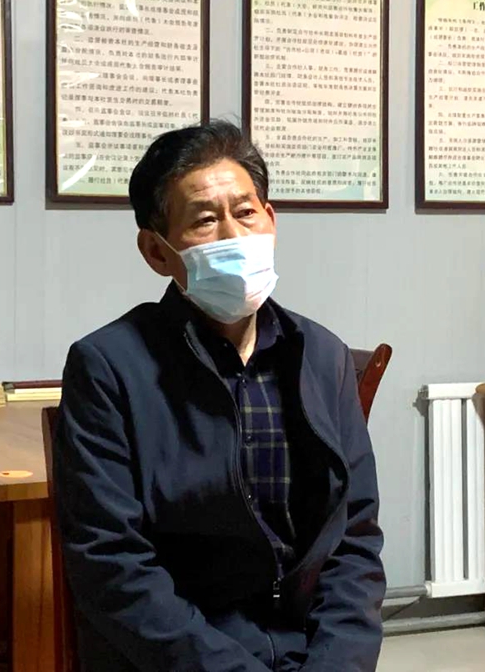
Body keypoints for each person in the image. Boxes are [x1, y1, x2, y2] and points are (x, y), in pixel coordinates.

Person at [53, 120, 386, 672]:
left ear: (271, 219)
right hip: (180, 659)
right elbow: (112, 564)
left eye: (246, 212)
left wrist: (338, 663)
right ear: (156, 251)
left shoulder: (321, 357)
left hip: (306, 651)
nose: (233, 235)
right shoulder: (110, 368)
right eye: (205, 220)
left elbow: (354, 538)